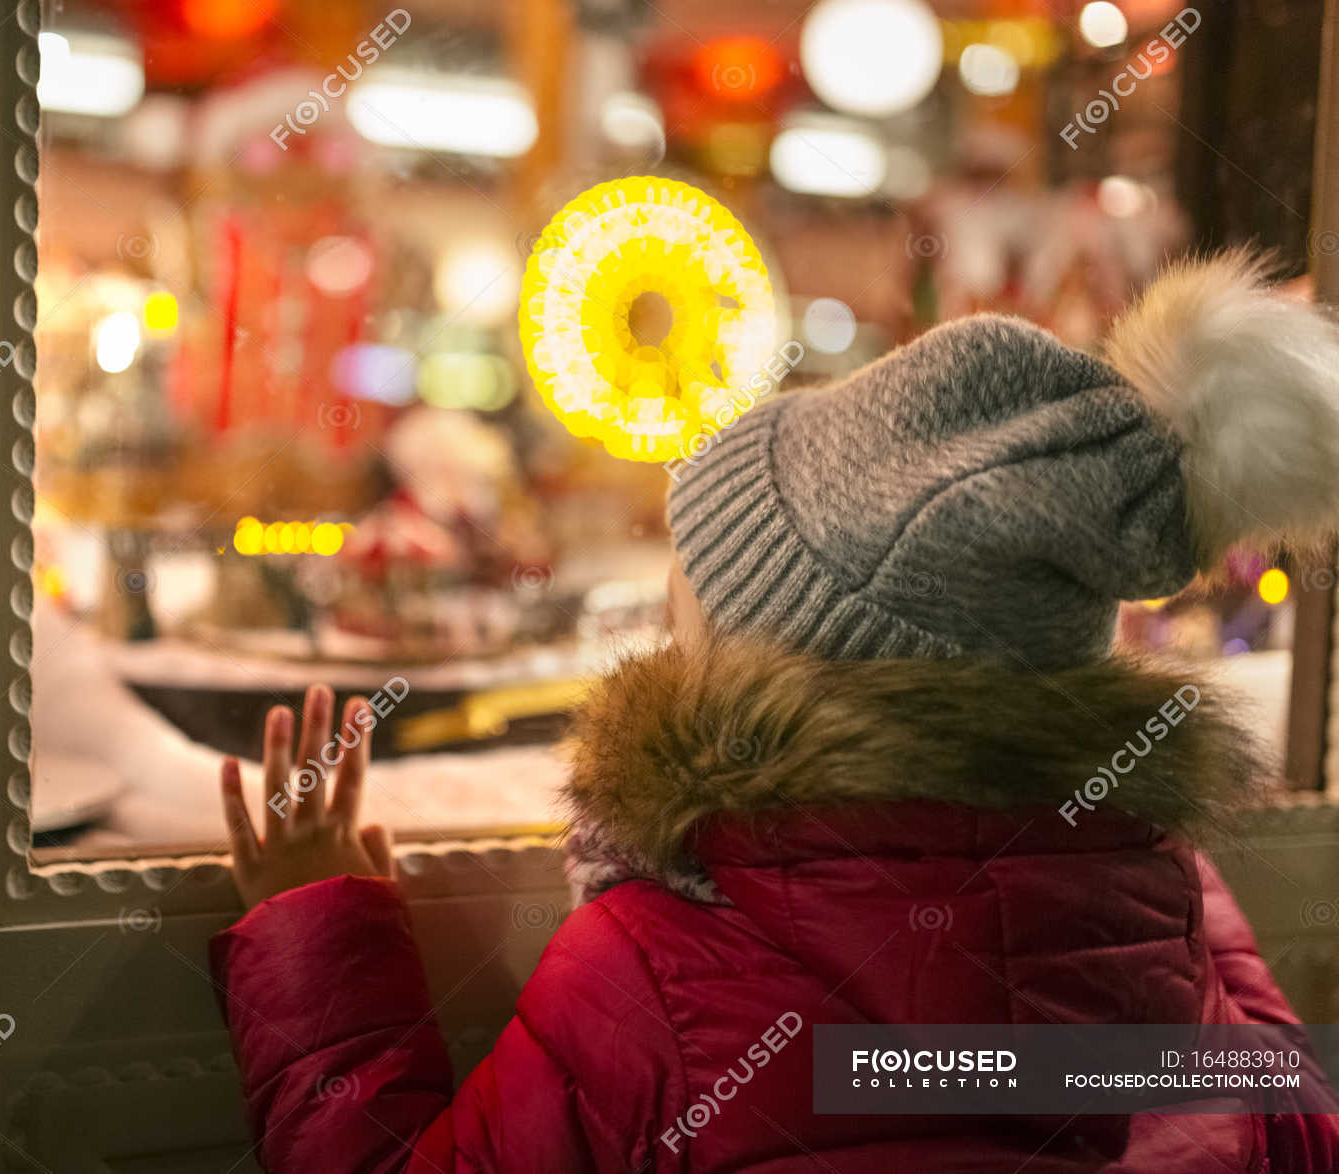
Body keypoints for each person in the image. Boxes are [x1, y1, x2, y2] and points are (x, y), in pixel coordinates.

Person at [207, 253, 1339, 1171]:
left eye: (699, 575)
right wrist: (1142, 835)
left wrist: (319, 925)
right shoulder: (1155, 978)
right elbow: (1291, 1112)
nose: (670, 600)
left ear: (773, 654)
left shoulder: (662, 970)